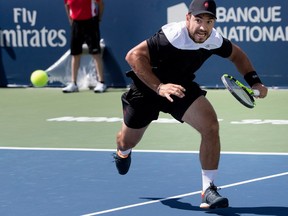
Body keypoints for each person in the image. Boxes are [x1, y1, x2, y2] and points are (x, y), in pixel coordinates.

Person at [113, 0, 268, 209]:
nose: (203, 27)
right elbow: (133, 56)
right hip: (147, 89)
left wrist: (255, 81)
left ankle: (208, 189)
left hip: (180, 87)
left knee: (210, 125)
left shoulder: (213, 39)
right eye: (198, 20)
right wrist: (159, 87)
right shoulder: (171, 37)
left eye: (209, 21)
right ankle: (122, 152)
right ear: (188, 18)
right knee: (126, 141)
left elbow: (237, 55)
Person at [62, 0, 106, 93]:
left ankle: (101, 82)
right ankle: (73, 84)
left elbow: (101, 4)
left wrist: (98, 19)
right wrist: (71, 20)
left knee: (95, 53)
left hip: (91, 23)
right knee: (75, 54)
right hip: (76, 24)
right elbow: (67, 5)